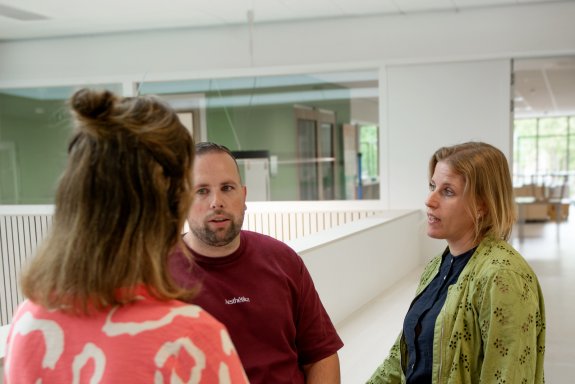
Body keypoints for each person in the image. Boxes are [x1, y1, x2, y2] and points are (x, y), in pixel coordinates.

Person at [3, 89, 248, 383]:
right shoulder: (191, 339)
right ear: (171, 205)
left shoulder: (30, 323)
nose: (215, 201)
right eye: (197, 189)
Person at [367, 141, 546, 384]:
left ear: (482, 204)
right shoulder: (437, 266)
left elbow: (508, 375)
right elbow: (401, 359)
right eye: (432, 186)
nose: (429, 200)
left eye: (447, 191)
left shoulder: (502, 276)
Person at [169, 142, 344, 384]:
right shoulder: (158, 275)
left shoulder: (284, 260)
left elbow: (321, 355)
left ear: (243, 195)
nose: (216, 202)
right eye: (202, 191)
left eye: (227, 188)